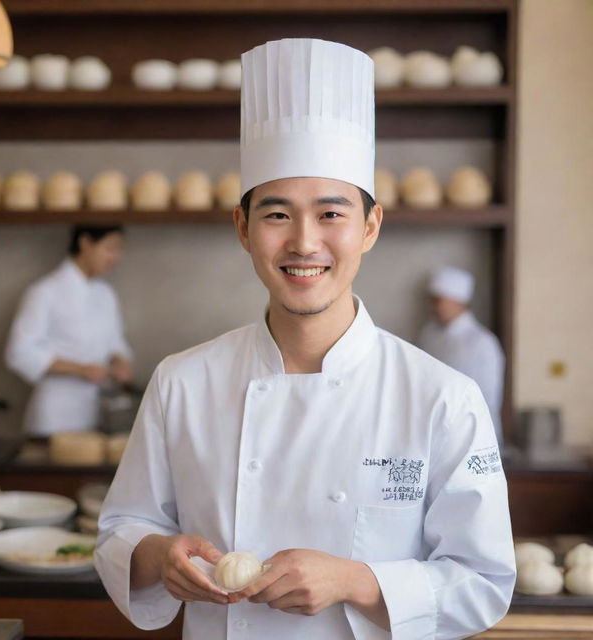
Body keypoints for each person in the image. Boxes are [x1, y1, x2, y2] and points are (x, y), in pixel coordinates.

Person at [95, 39, 515, 640]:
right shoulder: (182, 381)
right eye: (276, 214)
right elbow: (120, 531)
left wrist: (355, 581)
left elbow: (484, 582)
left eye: (331, 214)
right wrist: (158, 557)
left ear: (370, 227)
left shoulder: (442, 396)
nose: (304, 243)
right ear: (243, 228)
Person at [5, 225, 133, 436]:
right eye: (110, 248)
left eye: (119, 249)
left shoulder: (106, 294)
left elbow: (115, 342)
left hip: (97, 414)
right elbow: (19, 353)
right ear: (85, 243)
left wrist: (120, 361)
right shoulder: (45, 292)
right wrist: (80, 370)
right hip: (54, 416)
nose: (116, 257)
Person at [417, 266, 506, 445]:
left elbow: (487, 399)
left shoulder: (482, 342)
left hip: (473, 437)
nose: (433, 307)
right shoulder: (428, 335)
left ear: (457, 301)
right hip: (432, 435)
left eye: (438, 301)